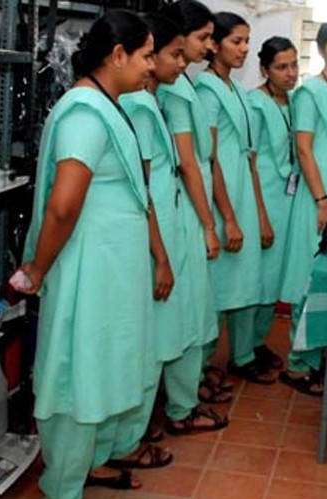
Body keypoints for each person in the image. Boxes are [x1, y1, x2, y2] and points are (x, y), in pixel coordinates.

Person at [16, 10, 157, 498]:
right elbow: (63, 207)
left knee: (99, 364)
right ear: (117, 55)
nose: (152, 66)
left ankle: (86, 465)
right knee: (79, 371)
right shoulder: (84, 112)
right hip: (85, 269)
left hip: (108, 268)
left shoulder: (108, 104)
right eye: (146, 55)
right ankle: (63, 484)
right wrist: (37, 267)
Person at [116, 11, 190, 466]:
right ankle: (127, 441)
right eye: (171, 54)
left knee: (153, 340)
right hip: (148, 238)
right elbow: (143, 189)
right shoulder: (139, 108)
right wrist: (160, 256)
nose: (181, 63)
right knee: (143, 346)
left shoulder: (152, 100)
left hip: (159, 231)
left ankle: (134, 433)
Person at [158, 0, 229, 433]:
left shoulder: (183, 84)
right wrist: (207, 224)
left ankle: (188, 392)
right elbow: (188, 163)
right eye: (203, 37)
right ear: (178, 38)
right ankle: (181, 407)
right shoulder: (175, 91)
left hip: (189, 204)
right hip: (184, 210)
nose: (210, 45)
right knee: (186, 311)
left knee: (195, 308)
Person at [278, 20, 327, 395]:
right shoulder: (309, 93)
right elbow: (304, 149)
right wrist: (321, 199)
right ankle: (296, 364)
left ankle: (317, 357)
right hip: (317, 192)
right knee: (308, 278)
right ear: (322, 49)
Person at [195, 12, 272, 384]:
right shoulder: (204, 90)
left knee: (244, 278)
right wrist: (226, 217)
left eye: (247, 41)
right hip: (219, 195)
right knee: (215, 285)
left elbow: (250, 156)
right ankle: (201, 367)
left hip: (242, 190)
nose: (244, 49)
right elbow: (209, 157)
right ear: (213, 44)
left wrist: (259, 213)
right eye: (236, 41)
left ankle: (242, 356)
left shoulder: (238, 92)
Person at [243, 36, 300, 382]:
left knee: (273, 279)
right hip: (261, 198)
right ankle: (242, 352)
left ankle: (257, 342)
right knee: (255, 279)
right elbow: (250, 161)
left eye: (294, 65)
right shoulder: (255, 104)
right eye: (281, 67)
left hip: (286, 200)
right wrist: (260, 215)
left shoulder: (291, 103)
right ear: (264, 70)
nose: (290, 73)